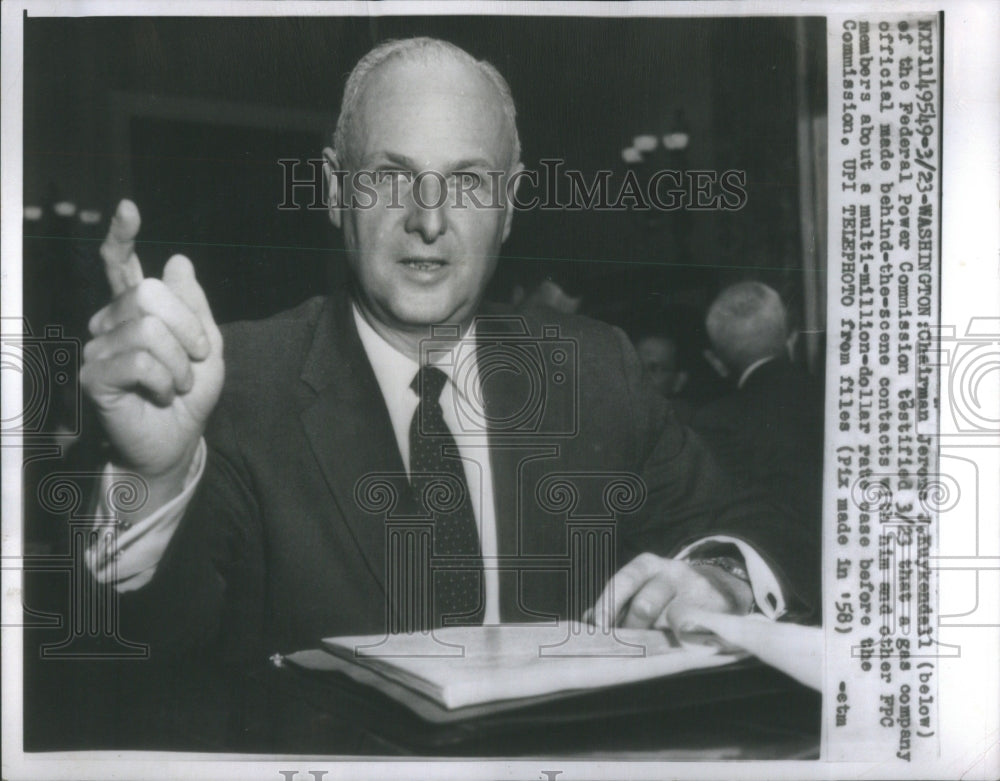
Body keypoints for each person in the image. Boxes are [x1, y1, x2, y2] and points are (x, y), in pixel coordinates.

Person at [77, 38, 815, 747]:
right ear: (336, 190)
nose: (428, 219)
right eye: (392, 176)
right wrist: (154, 476)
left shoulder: (595, 370)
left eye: (466, 181)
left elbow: (763, 524)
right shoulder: (231, 383)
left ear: (511, 203)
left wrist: (722, 581)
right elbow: (123, 670)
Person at [692, 281, 824, 607]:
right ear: (790, 337)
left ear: (717, 362)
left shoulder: (714, 421)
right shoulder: (845, 402)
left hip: (774, 598)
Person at [634, 332, 694, 423]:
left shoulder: (689, 429)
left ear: (678, 381)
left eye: (654, 369)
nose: (640, 376)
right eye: (635, 366)